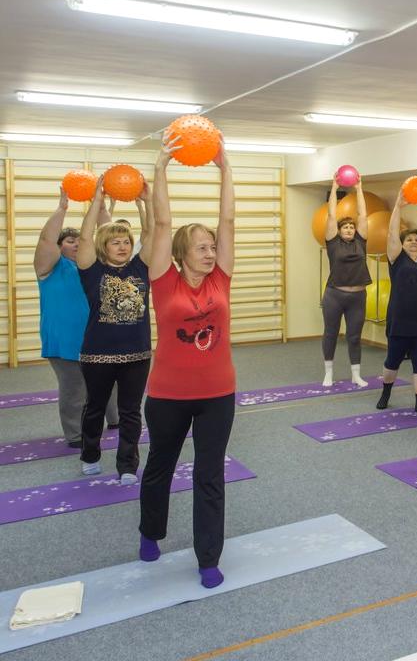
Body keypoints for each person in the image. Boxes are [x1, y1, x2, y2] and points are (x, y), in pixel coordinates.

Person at [138, 131, 236, 590]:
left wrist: (226, 169)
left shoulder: (221, 279)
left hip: (218, 393)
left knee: (209, 475)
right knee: (160, 464)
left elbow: (228, 219)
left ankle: (208, 557)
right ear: (180, 254)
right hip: (167, 395)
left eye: (212, 245)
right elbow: (160, 225)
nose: (210, 250)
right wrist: (160, 170)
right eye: (201, 246)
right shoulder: (163, 280)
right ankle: (151, 531)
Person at [76, 176, 153, 484]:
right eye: (115, 242)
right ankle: (90, 455)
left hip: (137, 354)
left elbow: (152, 233)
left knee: (131, 412)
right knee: (95, 407)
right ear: (103, 247)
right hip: (97, 355)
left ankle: (127, 465)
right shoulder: (92, 270)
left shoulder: (140, 267)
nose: (122, 246)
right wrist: (97, 200)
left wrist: (144, 202)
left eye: (126, 242)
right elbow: (83, 239)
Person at [34, 187, 118, 447]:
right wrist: (62, 208)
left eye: (79, 240)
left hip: (97, 338)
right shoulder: (49, 268)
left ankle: (114, 419)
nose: (76, 243)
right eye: (69, 241)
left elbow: (111, 239)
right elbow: (46, 241)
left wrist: (103, 209)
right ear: (59, 248)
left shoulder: (93, 266)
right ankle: (75, 434)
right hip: (64, 342)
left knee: (109, 382)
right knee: (74, 390)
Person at [374, 191, 417, 414]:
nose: (414, 242)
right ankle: (385, 392)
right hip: (400, 321)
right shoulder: (396, 258)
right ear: (402, 245)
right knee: (392, 361)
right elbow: (392, 234)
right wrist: (398, 207)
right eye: (409, 240)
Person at [321, 178, 371, 387]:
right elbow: (332, 215)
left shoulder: (361, 241)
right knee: (331, 333)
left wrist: (359, 188)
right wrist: (334, 188)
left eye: (352, 227)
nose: (350, 229)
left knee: (354, 336)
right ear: (339, 231)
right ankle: (328, 373)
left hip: (357, 296)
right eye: (346, 227)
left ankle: (356, 374)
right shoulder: (333, 244)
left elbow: (363, 215)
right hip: (335, 295)